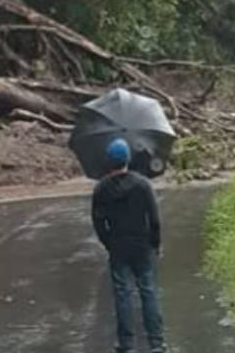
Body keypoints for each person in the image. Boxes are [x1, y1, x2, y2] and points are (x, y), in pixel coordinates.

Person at [91, 138, 166, 353]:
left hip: (118, 247)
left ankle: (125, 344)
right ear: (128, 159)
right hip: (142, 246)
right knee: (148, 291)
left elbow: (98, 222)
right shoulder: (143, 185)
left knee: (122, 294)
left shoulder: (101, 189)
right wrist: (155, 244)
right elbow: (154, 219)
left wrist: (108, 243)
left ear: (109, 161)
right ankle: (157, 342)